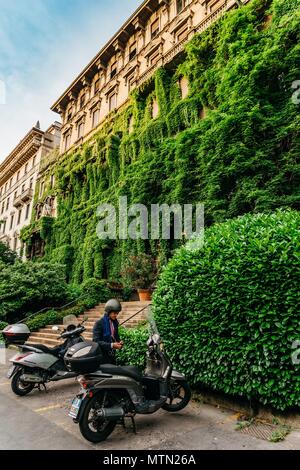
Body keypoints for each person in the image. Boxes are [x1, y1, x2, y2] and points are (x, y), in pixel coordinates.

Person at [92, 298, 124, 364]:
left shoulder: (115, 323)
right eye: (114, 313)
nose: (116, 315)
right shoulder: (99, 323)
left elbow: (115, 336)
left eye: (117, 313)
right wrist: (111, 345)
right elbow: (96, 341)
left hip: (112, 355)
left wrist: (119, 342)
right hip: (102, 356)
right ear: (108, 311)